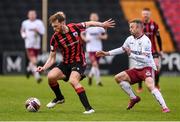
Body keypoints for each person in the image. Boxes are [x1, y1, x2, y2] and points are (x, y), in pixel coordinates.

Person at [36, 11, 115, 114]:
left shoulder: (74, 27)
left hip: (79, 61)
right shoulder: (55, 38)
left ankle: (89, 108)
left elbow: (90, 23)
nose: (54, 29)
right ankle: (59, 98)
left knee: (73, 81)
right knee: (51, 77)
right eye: (53, 27)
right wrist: (44, 68)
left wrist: (102, 24)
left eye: (56, 26)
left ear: (63, 23)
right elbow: (52, 58)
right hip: (65, 63)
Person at [96, 19, 170, 113]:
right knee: (118, 78)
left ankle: (165, 107)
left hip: (147, 67)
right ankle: (134, 98)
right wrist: (106, 53)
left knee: (149, 85)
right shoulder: (130, 39)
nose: (130, 29)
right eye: (129, 27)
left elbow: (145, 59)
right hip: (137, 69)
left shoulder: (145, 41)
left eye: (132, 27)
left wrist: (131, 55)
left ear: (138, 28)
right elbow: (122, 49)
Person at [137, 8, 163, 93]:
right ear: (142, 14)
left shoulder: (154, 24)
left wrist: (161, 50)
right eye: (144, 14)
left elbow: (158, 38)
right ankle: (140, 87)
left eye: (147, 14)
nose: (145, 15)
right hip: (141, 51)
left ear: (150, 14)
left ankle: (156, 85)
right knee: (140, 68)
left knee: (157, 67)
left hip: (153, 50)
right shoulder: (139, 24)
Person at [81, 13, 108, 86]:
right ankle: (98, 81)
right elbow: (81, 34)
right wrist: (85, 39)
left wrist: (101, 37)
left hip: (98, 48)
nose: (94, 18)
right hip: (90, 49)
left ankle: (90, 76)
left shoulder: (100, 27)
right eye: (92, 16)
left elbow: (105, 36)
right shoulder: (87, 26)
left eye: (95, 16)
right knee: (95, 64)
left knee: (95, 65)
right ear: (90, 18)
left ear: (97, 18)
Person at [20, 10, 45, 83]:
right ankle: (38, 77)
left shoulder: (39, 22)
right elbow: (22, 31)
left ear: (35, 15)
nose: (32, 15)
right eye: (30, 14)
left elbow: (43, 32)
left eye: (33, 14)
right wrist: (24, 36)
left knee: (33, 62)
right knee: (34, 61)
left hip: (36, 45)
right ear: (28, 15)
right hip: (29, 45)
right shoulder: (25, 23)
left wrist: (37, 31)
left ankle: (28, 69)